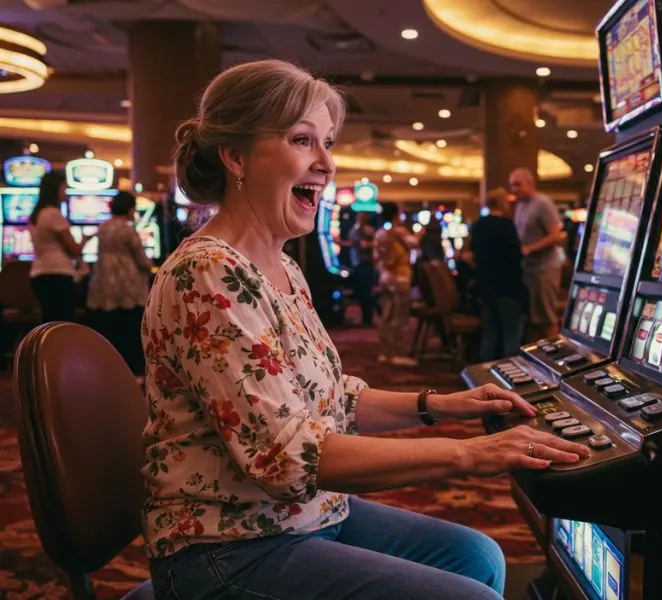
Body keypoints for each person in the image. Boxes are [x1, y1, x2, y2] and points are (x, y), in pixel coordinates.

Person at [141, 59, 589, 600]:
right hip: (225, 545)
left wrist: (440, 405)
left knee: (477, 555)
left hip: (301, 515)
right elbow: (285, 456)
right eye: (303, 140)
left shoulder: (282, 268)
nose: (327, 163)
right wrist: (471, 455)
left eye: (327, 142)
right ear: (235, 156)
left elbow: (330, 399)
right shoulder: (208, 273)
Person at [86, 191, 152, 375]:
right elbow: (142, 260)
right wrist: (152, 266)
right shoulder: (127, 229)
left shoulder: (103, 227)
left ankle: (108, 368)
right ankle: (130, 370)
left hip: (103, 280)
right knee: (129, 330)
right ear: (130, 209)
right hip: (126, 283)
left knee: (110, 329)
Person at [28, 170, 92, 323]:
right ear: (55, 188)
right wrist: (85, 239)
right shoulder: (53, 214)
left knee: (49, 323)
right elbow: (74, 249)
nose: (66, 192)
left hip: (39, 274)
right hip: (58, 274)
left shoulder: (37, 214)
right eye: (64, 187)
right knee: (63, 324)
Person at [471, 187, 526, 361]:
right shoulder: (506, 225)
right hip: (507, 288)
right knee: (511, 335)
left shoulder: (478, 225)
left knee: (489, 334)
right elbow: (516, 256)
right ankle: (510, 380)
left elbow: (473, 254)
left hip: (484, 287)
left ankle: (484, 378)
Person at [509, 167, 564, 340]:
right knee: (533, 319)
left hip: (544, 268)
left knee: (546, 317)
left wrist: (530, 248)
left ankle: (553, 358)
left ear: (530, 183)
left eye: (518, 184)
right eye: (512, 185)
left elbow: (556, 235)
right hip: (528, 268)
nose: (514, 189)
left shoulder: (543, 203)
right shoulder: (520, 206)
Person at [373, 201, 419, 366]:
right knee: (400, 316)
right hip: (399, 277)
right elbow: (415, 244)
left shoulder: (379, 233)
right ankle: (397, 353)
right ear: (395, 214)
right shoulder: (399, 232)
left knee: (386, 315)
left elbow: (376, 258)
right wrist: (420, 233)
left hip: (384, 277)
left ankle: (385, 352)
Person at [347, 211, 377, 325]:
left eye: (363, 218)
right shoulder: (355, 229)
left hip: (365, 264)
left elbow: (365, 244)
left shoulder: (368, 230)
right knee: (361, 292)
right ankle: (366, 317)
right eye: (359, 217)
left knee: (366, 292)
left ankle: (368, 318)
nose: (361, 219)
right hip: (357, 263)